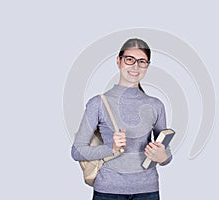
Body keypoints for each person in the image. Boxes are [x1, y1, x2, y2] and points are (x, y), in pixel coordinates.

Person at [71, 38, 172, 200]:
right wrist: (111, 148)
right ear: (119, 61)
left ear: (147, 65)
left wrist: (163, 157)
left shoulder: (156, 105)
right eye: (129, 59)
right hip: (108, 191)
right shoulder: (98, 103)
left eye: (142, 61)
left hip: (147, 191)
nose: (135, 66)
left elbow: (166, 154)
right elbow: (77, 151)